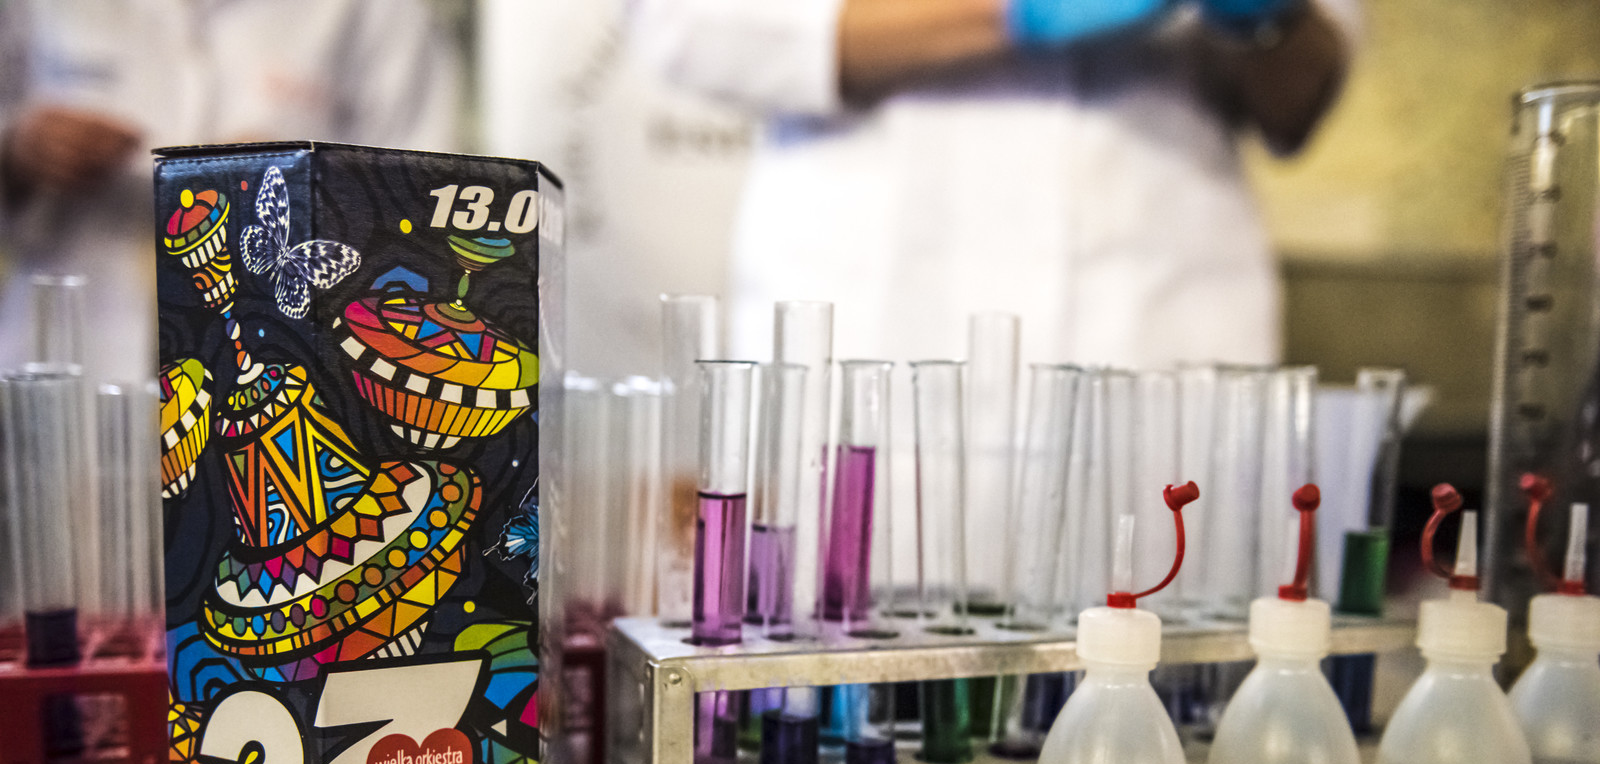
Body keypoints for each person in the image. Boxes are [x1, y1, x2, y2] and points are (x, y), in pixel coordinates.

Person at [630, 0, 1358, 373]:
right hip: (875, 335)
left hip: (1151, 326)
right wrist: (1006, 12)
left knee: (1161, 607)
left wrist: (1266, 19)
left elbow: (1301, 102)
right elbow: (685, 24)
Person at [0, 0, 462, 384]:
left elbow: (425, 207)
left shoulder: (376, 11)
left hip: (285, 359)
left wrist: (306, 183)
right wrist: (18, 151)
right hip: (73, 357)